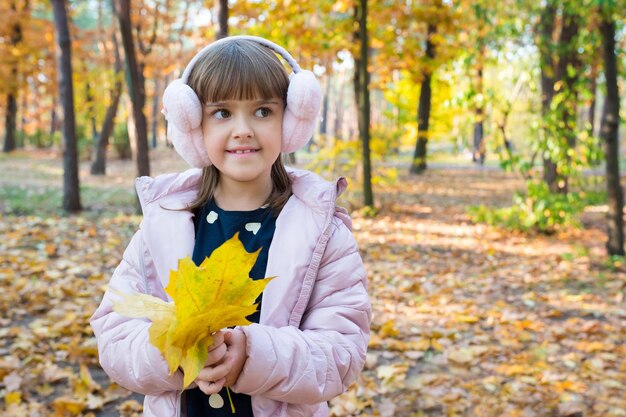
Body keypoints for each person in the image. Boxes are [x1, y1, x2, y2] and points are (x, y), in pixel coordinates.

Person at [90, 35, 371, 417]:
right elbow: (115, 336)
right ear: (193, 126)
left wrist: (250, 357)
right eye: (222, 113)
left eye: (262, 111)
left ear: (290, 122)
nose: (243, 129)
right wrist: (176, 350)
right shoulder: (161, 228)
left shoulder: (323, 234)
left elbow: (341, 354)